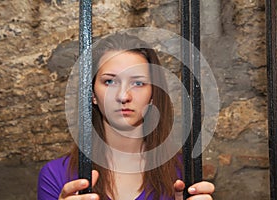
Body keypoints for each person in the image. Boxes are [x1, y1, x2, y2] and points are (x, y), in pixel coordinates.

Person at [38, 33, 215, 200]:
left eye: (138, 83)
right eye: (110, 81)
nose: (123, 96)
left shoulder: (184, 172)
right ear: (92, 93)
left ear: (153, 94)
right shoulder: (57, 175)